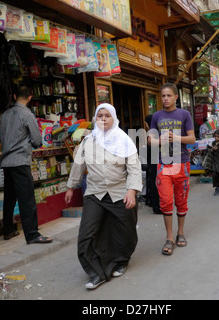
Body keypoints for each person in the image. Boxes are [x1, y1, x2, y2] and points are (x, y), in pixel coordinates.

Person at [65, 103, 142, 290]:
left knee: (125, 230)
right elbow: (78, 165)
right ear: (95, 119)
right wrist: (70, 187)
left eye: (108, 115)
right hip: (95, 192)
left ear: (114, 118)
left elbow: (134, 167)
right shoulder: (88, 141)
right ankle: (96, 273)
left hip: (119, 191)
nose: (104, 119)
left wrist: (132, 191)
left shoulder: (124, 140)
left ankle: (122, 260)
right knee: (86, 234)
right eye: (100, 116)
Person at [0, 85, 53, 244]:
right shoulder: (27, 115)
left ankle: (8, 230)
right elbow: (37, 140)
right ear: (30, 97)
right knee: (26, 199)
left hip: (7, 161)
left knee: (10, 197)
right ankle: (33, 234)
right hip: (20, 160)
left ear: (14, 96)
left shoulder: (5, 115)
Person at [148, 83, 196, 256]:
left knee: (181, 200)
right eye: (163, 96)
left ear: (176, 97)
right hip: (163, 164)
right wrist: (160, 141)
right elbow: (149, 141)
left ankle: (180, 233)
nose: (165, 99)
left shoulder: (184, 114)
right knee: (166, 201)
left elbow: (192, 139)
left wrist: (175, 138)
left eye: (169, 95)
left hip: (181, 163)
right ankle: (169, 237)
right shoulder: (156, 116)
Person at [144, 114, 162, 214]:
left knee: (155, 184)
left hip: (155, 163)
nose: (145, 125)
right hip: (155, 162)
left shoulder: (153, 134)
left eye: (146, 123)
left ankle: (157, 206)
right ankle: (155, 204)